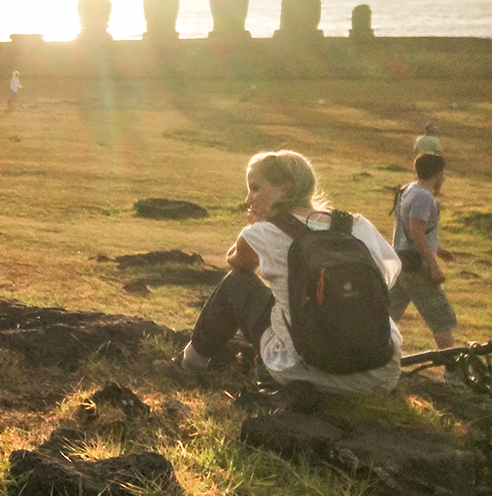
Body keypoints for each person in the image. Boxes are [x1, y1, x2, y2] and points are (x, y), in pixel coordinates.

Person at [162, 150, 402, 395]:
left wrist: (255, 228)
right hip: (380, 374)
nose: (248, 199)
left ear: (286, 187)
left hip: (305, 371)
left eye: (255, 188)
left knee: (237, 283)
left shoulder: (262, 234)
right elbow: (389, 274)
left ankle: (189, 365)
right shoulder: (356, 225)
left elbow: (237, 262)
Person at [390, 153, 460, 352]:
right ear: (438, 174)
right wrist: (433, 266)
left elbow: (413, 233)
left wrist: (438, 249)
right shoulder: (423, 197)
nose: (444, 178)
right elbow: (416, 232)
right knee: (442, 321)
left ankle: (370, 360)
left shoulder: (407, 190)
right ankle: (452, 373)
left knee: (385, 316)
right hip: (418, 267)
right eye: (443, 174)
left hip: (401, 264)